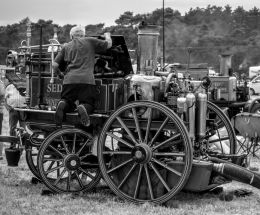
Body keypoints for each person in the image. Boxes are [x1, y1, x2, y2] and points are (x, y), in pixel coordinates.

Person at [52, 25, 112, 126]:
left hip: (69, 80)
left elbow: (54, 65)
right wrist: (107, 35)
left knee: (67, 102)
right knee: (89, 103)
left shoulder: (66, 46)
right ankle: (83, 107)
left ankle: (62, 104)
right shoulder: (90, 41)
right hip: (86, 80)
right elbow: (109, 45)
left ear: (71, 36)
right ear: (84, 35)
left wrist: (60, 74)